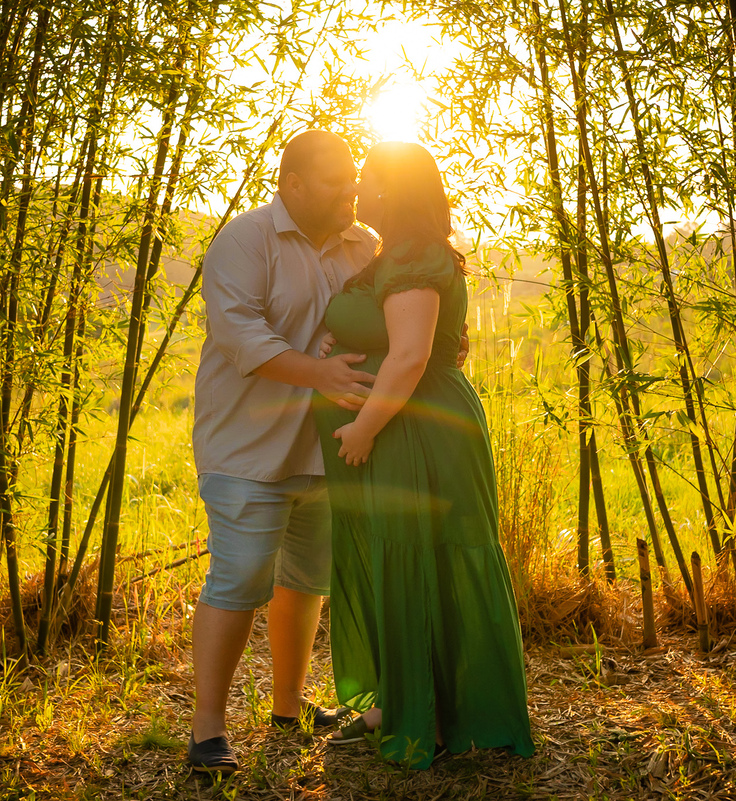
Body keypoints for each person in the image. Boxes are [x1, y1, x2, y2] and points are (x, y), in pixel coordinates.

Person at [311, 141, 536, 769]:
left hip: (416, 430)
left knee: (422, 557)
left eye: (369, 179)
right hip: (397, 428)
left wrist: (364, 429)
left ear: (397, 190)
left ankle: (433, 715)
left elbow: (410, 356)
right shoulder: (392, 253)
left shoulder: (414, 254)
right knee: (398, 556)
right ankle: (401, 697)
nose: (359, 189)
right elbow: (388, 329)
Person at [186, 130, 378, 773]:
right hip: (250, 447)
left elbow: (388, 320)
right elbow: (241, 337)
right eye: (335, 179)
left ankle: (288, 707)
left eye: (354, 176)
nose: (352, 188)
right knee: (240, 580)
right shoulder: (245, 240)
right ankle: (207, 728)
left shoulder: (366, 245)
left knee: (306, 580)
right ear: (292, 184)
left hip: (332, 448)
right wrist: (319, 373)